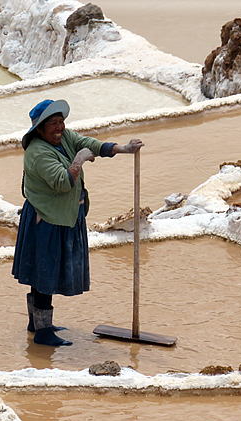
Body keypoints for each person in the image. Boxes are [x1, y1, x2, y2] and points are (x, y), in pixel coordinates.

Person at [12, 99, 143, 346]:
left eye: (61, 121)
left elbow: (88, 143)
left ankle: (38, 323)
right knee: (44, 274)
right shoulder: (38, 152)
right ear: (39, 129)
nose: (59, 127)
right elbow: (63, 181)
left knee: (44, 272)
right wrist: (79, 161)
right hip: (47, 221)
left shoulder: (64, 138)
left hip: (63, 217)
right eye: (53, 123)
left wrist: (122, 149)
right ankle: (42, 333)